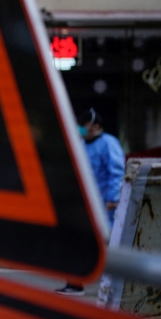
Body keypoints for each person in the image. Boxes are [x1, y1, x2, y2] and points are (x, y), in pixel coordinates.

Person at [57, 108, 125, 296]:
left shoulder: (109, 143)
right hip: (84, 203)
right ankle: (74, 284)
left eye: (83, 125)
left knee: (110, 246)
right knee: (76, 242)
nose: (80, 128)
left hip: (105, 204)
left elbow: (117, 172)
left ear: (95, 126)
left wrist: (114, 198)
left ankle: (115, 289)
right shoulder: (81, 144)